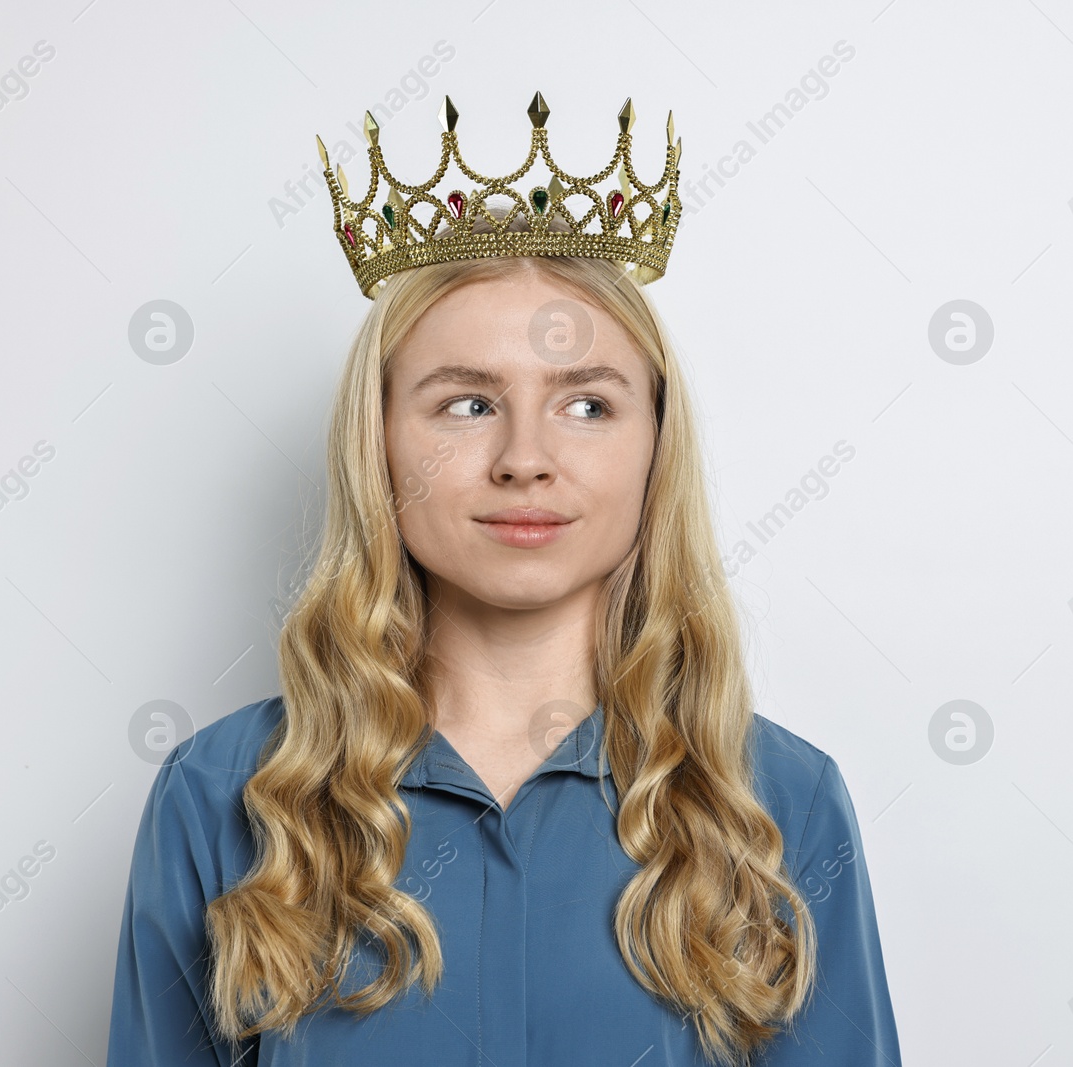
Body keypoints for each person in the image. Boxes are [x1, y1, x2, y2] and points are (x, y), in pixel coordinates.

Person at [105, 93, 901, 1066]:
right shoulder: (224, 795)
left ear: (655, 445)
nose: (525, 457)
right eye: (468, 401)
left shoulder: (778, 798)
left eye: (586, 404)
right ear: (380, 442)